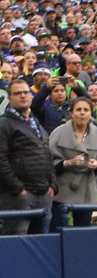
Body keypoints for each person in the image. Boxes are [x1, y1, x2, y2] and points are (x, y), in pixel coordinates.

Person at [0, 79, 54, 234]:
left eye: (26, 92)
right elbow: (1, 160)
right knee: (16, 242)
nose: (23, 96)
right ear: (9, 98)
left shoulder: (35, 122)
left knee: (41, 244)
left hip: (43, 193)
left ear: (31, 96)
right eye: (17, 93)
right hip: (17, 197)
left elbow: (47, 155)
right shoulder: (4, 124)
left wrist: (52, 185)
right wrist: (18, 189)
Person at [47, 96, 97, 228]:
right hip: (62, 188)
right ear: (71, 113)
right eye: (78, 110)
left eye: (86, 110)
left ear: (90, 113)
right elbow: (48, 161)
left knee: (82, 230)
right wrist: (68, 163)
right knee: (57, 229)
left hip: (86, 188)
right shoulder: (58, 133)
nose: (82, 113)